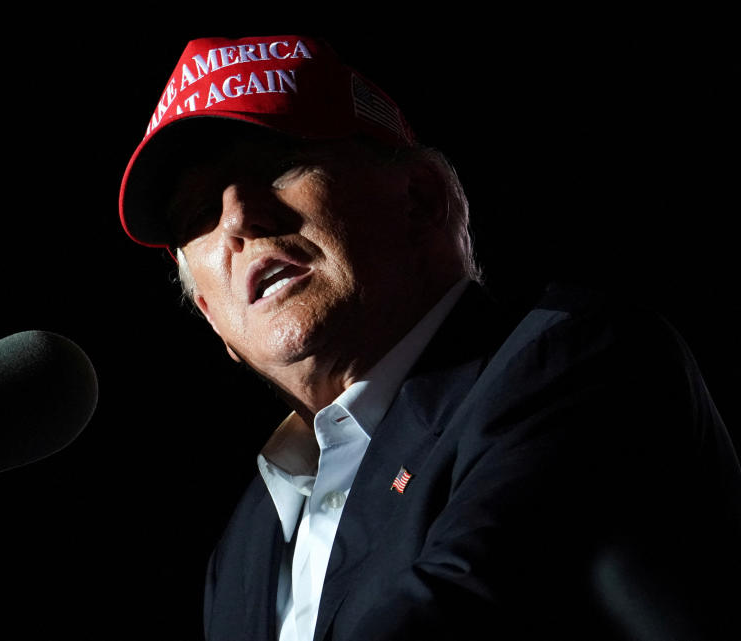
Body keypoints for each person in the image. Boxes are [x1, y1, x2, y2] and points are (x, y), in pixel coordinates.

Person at [119, 35, 741, 641]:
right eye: (199, 213)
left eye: (278, 166)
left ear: (419, 199)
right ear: (209, 315)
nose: (237, 220)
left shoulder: (579, 361)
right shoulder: (249, 538)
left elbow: (463, 609)